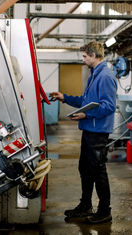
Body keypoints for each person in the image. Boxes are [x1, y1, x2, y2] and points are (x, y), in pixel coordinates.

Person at [49, 41, 117, 224]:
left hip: (98, 132)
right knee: (85, 169)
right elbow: (85, 101)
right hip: (89, 129)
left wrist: (86, 114)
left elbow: (109, 106)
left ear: (94, 56)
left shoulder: (105, 76)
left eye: (85, 56)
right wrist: (65, 98)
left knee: (98, 171)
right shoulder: (94, 74)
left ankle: (104, 211)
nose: (83, 59)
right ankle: (86, 205)